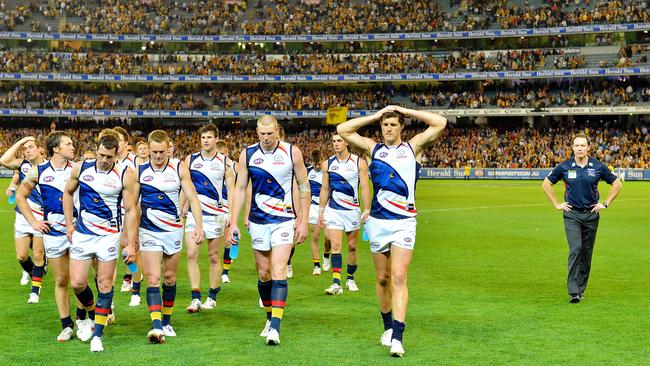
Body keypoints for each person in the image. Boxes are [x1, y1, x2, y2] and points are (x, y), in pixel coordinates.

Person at [337, 105, 447, 357]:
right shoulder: (372, 149)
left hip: (404, 222)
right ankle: (387, 327)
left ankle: (398, 336)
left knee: (398, 277)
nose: (388, 128)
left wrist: (404, 110)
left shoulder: (413, 148)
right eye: (385, 125)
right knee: (383, 278)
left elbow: (440, 122)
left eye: (393, 124)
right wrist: (376, 115)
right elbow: (342, 129)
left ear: (401, 127)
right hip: (378, 222)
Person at [228, 115, 309, 346]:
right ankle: (268, 316)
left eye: (270, 133)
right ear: (257, 132)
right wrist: (233, 222)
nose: (265, 138)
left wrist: (302, 220)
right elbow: (241, 188)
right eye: (261, 134)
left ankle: (275, 326)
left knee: (278, 268)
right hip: (258, 221)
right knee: (263, 273)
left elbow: (304, 186)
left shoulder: (292, 152)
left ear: (278, 131)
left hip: (284, 220)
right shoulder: (248, 154)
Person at [62, 129, 138, 352]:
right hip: (83, 234)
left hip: (108, 235)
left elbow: (132, 209)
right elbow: (67, 193)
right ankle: (95, 313)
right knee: (77, 283)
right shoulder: (81, 168)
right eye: (102, 155)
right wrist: (69, 223)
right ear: (96, 151)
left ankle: (98, 335)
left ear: (116, 154)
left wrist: (131, 242)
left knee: (105, 284)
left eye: (109, 157)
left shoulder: (125, 173)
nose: (105, 160)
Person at [135, 130, 204, 344]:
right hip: (149, 231)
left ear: (168, 148)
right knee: (153, 278)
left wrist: (199, 226)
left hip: (173, 230)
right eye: (153, 152)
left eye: (161, 152)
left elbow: (192, 196)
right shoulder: (139, 171)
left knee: (170, 277)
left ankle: (167, 320)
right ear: (148, 149)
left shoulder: (178, 167)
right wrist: (131, 235)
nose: (157, 156)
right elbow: (132, 207)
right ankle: (156, 325)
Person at [15, 131, 81, 342]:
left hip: (78, 232)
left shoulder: (79, 169)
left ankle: (82, 320)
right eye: (68, 144)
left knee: (79, 281)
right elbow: (20, 196)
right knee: (61, 279)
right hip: (53, 233)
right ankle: (66, 325)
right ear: (55, 148)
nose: (73, 146)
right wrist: (34, 222)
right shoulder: (38, 171)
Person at [542, 132, 622, 303]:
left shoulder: (598, 166)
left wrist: (605, 203)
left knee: (586, 253)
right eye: (576, 145)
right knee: (576, 248)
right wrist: (557, 204)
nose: (579, 148)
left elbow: (617, 184)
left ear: (588, 148)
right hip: (572, 214)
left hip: (592, 214)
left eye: (582, 145)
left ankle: (580, 288)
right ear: (572, 148)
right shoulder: (565, 166)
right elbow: (546, 183)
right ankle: (573, 292)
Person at [184, 126, 234, 313]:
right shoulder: (190, 160)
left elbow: (231, 189)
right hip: (194, 215)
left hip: (216, 215)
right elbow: (186, 186)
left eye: (209, 137)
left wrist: (230, 213)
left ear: (216, 139)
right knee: (191, 254)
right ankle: (195, 297)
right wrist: (182, 208)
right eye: (203, 137)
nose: (206, 140)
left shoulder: (224, 162)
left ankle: (212, 296)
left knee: (214, 256)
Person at [318, 136, 370, 294]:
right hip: (333, 210)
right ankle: (336, 282)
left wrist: (367, 209)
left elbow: (365, 188)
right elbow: (325, 189)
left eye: (339, 141)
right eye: (333, 141)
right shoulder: (328, 164)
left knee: (352, 247)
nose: (336, 144)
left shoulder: (358, 162)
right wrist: (320, 211)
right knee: (336, 246)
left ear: (347, 142)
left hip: (352, 211)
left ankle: (350, 278)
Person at [0, 136, 47, 303]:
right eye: (25, 148)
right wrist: (21, 141)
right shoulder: (23, 165)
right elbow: (4, 160)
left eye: (31, 147)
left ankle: (35, 291)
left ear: (40, 150)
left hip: (41, 216)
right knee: (21, 256)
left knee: (38, 254)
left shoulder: (49, 167)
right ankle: (36, 272)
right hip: (22, 215)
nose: (27, 150)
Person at [114, 127, 140, 298]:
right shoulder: (107, 160)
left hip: (132, 210)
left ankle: (133, 282)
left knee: (131, 247)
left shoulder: (135, 161)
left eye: (119, 140)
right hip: (113, 213)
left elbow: (140, 189)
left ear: (125, 143)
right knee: (114, 251)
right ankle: (128, 278)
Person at [307, 149, 331, 275]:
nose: (317, 166)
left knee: (328, 237)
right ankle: (316, 265)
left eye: (319, 163)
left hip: (327, 207)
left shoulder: (330, 170)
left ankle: (326, 256)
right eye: (315, 164)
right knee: (315, 236)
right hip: (313, 207)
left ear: (323, 159)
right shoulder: (308, 171)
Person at [218, 142, 237, 283]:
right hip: (214, 209)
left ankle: (225, 272)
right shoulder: (212, 168)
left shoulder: (235, 167)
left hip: (228, 208)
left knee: (227, 241)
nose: (222, 157)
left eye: (224, 154)